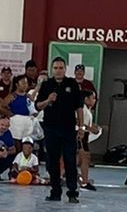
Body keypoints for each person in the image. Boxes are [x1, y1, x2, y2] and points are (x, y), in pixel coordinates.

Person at [35, 57, 84, 203]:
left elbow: (79, 107)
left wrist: (81, 127)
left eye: (61, 68)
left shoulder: (72, 84)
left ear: (65, 69)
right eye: (55, 68)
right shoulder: (46, 85)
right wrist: (48, 100)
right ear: (52, 69)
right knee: (52, 161)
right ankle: (55, 191)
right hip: (51, 128)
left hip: (68, 128)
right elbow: (38, 106)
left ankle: (72, 192)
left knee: (70, 160)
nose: (58, 70)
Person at [78, 90, 99, 191]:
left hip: (84, 135)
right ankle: (84, 182)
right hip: (80, 135)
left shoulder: (87, 110)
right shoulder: (82, 109)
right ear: (86, 99)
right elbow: (78, 122)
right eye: (93, 98)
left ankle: (82, 179)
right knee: (85, 158)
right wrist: (90, 129)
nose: (95, 100)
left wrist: (92, 127)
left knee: (81, 159)